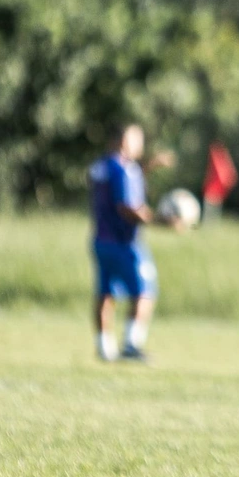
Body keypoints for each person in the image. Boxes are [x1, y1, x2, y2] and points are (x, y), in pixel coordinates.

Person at [88, 123, 158, 363]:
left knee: (105, 292)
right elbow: (126, 206)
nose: (140, 144)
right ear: (121, 140)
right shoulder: (124, 168)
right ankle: (131, 344)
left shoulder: (101, 166)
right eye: (136, 139)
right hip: (124, 242)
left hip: (100, 239)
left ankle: (104, 347)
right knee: (145, 291)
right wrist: (160, 220)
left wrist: (147, 169)